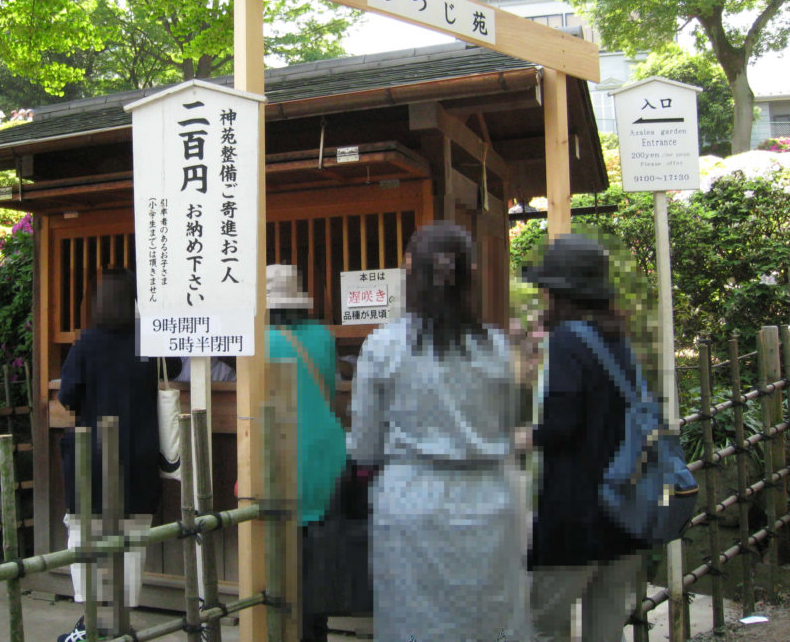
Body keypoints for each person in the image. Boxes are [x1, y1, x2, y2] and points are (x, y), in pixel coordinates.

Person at [347, 222, 530, 642]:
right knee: (488, 624)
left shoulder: (383, 346)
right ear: (471, 276)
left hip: (411, 505)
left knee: (412, 626)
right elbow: (506, 429)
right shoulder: (498, 349)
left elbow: (364, 446)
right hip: (488, 500)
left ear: (410, 271)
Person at [516, 234, 648, 642]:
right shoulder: (617, 341)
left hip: (575, 515)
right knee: (606, 632)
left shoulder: (570, 341)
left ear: (560, 294)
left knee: (544, 628)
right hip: (624, 514)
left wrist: (517, 438)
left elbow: (562, 425)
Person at [56, 270, 162, 642]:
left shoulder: (87, 343)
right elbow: (175, 372)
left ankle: (88, 620)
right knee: (131, 538)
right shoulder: (150, 340)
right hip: (139, 453)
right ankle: (122, 619)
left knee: (86, 533)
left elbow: (67, 396)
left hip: (93, 454)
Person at [265, 263, 346, 642]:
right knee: (318, 569)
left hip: (284, 462)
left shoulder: (260, 342)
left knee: (284, 571)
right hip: (327, 460)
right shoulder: (323, 336)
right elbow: (329, 387)